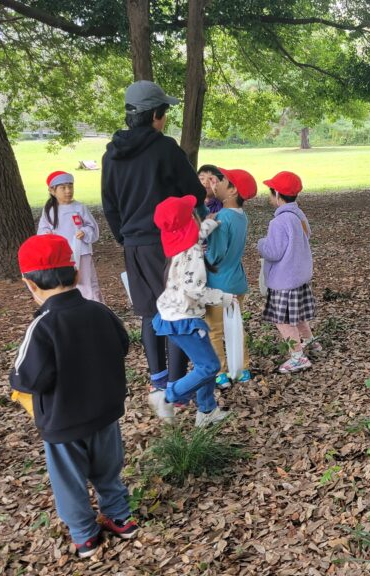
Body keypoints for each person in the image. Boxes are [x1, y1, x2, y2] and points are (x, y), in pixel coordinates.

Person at [9, 234, 137, 559]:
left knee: (69, 481)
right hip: (106, 413)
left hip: (63, 422)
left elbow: (27, 377)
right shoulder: (100, 311)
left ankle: (85, 536)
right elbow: (122, 345)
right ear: (76, 274)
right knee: (109, 469)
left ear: (30, 284)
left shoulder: (43, 325)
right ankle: (120, 516)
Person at [101, 80, 205, 421]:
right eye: (165, 112)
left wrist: (125, 237)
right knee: (174, 311)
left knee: (149, 313)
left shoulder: (111, 154)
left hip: (133, 245)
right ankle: (177, 387)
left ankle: (158, 382)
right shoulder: (166, 150)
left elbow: (110, 204)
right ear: (156, 115)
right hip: (167, 245)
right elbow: (194, 191)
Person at [147, 195, 236, 427]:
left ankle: (207, 410)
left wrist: (210, 222)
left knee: (203, 363)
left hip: (171, 314)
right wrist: (224, 298)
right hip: (184, 318)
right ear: (190, 222)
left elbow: (195, 233)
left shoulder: (180, 242)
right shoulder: (194, 253)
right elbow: (194, 289)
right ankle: (167, 396)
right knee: (210, 367)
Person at [257, 171, 318, 374]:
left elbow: (273, 252)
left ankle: (297, 356)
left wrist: (261, 244)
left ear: (277, 194)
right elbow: (306, 235)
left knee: (282, 319)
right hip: (299, 277)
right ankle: (310, 342)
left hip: (284, 280)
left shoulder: (279, 222)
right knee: (299, 314)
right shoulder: (299, 216)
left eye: (270, 192)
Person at [203, 167, 256, 388]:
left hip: (218, 283)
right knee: (235, 324)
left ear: (232, 191)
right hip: (237, 280)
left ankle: (221, 371)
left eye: (221, 181)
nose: (214, 183)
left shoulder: (222, 217)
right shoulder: (242, 216)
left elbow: (214, 255)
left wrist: (199, 247)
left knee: (215, 329)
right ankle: (242, 368)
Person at [38, 171, 102, 302]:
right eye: (63, 188)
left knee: (86, 283)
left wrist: (84, 231)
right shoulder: (49, 210)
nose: (68, 191)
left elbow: (92, 227)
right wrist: (49, 238)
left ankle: (93, 308)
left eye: (70, 186)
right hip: (62, 255)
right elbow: (43, 231)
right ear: (52, 190)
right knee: (66, 284)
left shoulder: (79, 207)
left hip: (82, 253)